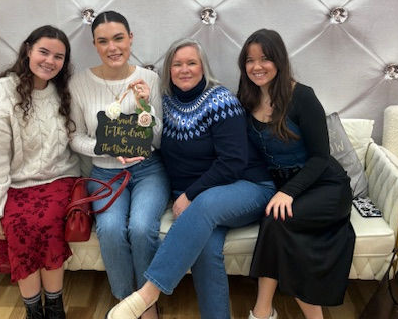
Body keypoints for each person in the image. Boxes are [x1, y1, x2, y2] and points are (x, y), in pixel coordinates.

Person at [106, 38, 276, 319]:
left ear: (203, 67)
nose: (184, 69)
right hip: (204, 201)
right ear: (168, 70)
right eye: (177, 64)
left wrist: (190, 195)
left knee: (204, 205)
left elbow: (233, 162)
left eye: (191, 63)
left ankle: (147, 294)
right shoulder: (166, 102)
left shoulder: (221, 100)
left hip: (248, 187)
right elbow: (151, 138)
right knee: (205, 250)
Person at [237, 29, 355, 319]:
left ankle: (264, 312)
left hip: (324, 185)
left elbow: (320, 157)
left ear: (279, 60)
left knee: (276, 222)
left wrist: (288, 192)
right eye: (250, 60)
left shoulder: (302, 96)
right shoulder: (246, 99)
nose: (257, 66)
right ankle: (265, 311)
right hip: (283, 186)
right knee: (275, 222)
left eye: (264, 58)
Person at [69, 11, 171, 319]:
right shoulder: (79, 83)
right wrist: (107, 150)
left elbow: (158, 139)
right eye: (103, 41)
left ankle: (147, 303)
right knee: (111, 230)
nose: (112, 47)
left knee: (141, 228)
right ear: (94, 45)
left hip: (148, 170)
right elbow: (75, 137)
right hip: (104, 173)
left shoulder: (149, 79)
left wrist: (144, 106)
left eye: (118, 38)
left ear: (130, 39)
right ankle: (127, 302)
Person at [0, 25, 81, 319]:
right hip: (17, 184)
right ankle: (34, 311)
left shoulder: (64, 91)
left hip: (60, 178)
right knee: (19, 225)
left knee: (47, 222)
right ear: (28, 50)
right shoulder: (3, 92)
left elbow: (77, 140)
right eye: (43, 52)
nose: (50, 61)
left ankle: (55, 309)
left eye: (58, 57)